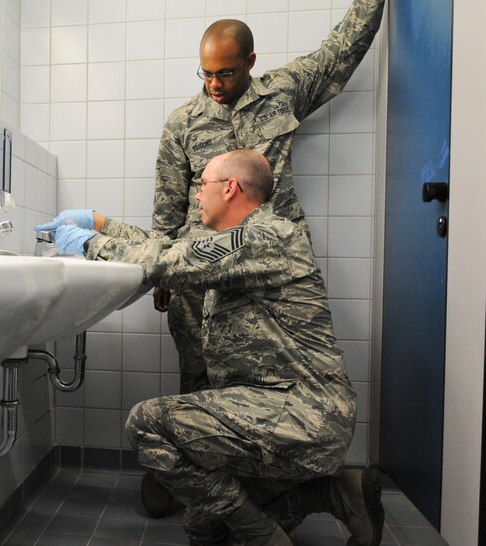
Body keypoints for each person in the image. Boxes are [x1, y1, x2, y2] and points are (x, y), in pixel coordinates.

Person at [34, 151, 383, 546]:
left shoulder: (264, 237)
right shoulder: (242, 240)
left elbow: (167, 262)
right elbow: (174, 248)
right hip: (283, 412)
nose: (197, 193)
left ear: (230, 188)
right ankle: (333, 492)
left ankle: (262, 541)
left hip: (301, 413)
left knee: (147, 424)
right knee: (208, 531)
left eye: (203, 184)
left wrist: (86, 243)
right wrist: (98, 222)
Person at [154, 0, 386, 397]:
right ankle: (204, 454)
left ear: (249, 61)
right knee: (200, 374)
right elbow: (168, 200)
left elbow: (342, 50)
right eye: (206, 74)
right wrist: (163, 271)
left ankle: (275, 453)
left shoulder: (282, 91)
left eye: (225, 73)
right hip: (203, 267)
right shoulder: (183, 121)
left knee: (284, 370)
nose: (214, 85)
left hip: (272, 261)